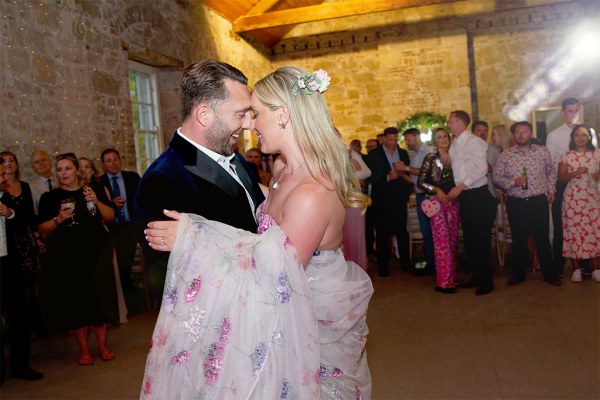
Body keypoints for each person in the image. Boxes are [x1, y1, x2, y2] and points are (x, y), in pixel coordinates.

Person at [140, 66, 373, 399]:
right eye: (244, 114)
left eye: (256, 114)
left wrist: (194, 237)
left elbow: (276, 274)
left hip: (298, 312)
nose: (249, 123)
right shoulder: (280, 168)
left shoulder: (312, 193)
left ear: (282, 116)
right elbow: (261, 203)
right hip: (262, 311)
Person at [134, 60, 265, 305]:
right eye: (240, 114)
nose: (249, 124)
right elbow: (172, 279)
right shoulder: (162, 180)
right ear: (204, 115)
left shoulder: (237, 159)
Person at [37, 153, 117, 366]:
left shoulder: (92, 190)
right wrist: (59, 219)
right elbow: (42, 228)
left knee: (98, 298)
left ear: (76, 171)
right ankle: (83, 350)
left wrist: (96, 201)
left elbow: (109, 217)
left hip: (95, 252)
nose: (63, 173)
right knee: (77, 302)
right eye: (60, 169)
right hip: (67, 256)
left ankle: (102, 346)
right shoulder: (50, 198)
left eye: (68, 169)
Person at [492, 122, 561, 286]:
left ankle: (549, 274)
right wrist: (512, 182)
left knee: (542, 239)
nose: (521, 135)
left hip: (538, 201)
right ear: (514, 135)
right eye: (518, 132)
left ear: (530, 133)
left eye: (525, 131)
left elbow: (551, 172)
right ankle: (518, 274)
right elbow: (496, 178)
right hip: (516, 202)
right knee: (519, 239)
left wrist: (552, 191)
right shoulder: (506, 155)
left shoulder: (542, 152)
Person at [0, 153, 44, 381]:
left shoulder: (23, 187)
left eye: (10, 161)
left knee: (19, 312)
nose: (7, 167)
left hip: (16, 255)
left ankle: (21, 364)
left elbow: (27, 218)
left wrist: (11, 213)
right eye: (2, 163)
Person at [447, 111, 497, 295]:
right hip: (467, 197)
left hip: (479, 196)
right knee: (470, 240)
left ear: (461, 122)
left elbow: (481, 168)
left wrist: (461, 186)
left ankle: (487, 281)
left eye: (452, 121)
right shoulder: (455, 142)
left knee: (481, 240)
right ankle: (477, 275)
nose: (449, 124)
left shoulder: (474, 142)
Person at [417, 128, 460, 293]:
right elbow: (421, 181)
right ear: (435, 142)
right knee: (441, 242)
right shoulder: (431, 157)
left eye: (445, 136)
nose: (443, 139)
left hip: (454, 202)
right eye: (439, 137)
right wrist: (437, 190)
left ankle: (452, 278)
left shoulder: (456, 156)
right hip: (437, 203)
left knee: (452, 241)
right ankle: (443, 282)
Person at [366, 127, 413, 277]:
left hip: (399, 199)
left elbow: (408, 175)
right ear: (385, 138)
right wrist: (387, 177)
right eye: (390, 139)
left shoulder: (403, 153)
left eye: (395, 139)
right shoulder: (375, 154)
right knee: (382, 234)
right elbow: (370, 177)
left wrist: (402, 178)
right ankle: (383, 265)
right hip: (382, 200)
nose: (393, 142)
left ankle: (405, 262)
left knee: (401, 232)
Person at [557, 125, 600, 282]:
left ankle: (596, 269)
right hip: (573, 198)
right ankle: (576, 270)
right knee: (574, 232)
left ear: (589, 137)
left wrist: (598, 174)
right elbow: (560, 178)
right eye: (576, 135)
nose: (580, 138)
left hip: (592, 198)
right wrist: (575, 173)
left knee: (594, 231)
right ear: (572, 138)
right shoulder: (567, 156)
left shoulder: (596, 154)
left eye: (583, 135)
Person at [546, 98, 584, 275]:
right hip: (562, 185)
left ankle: (586, 263)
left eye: (576, 110)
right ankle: (558, 264)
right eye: (570, 110)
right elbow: (549, 164)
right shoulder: (554, 135)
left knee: (583, 224)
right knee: (561, 225)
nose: (573, 114)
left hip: (584, 187)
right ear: (562, 112)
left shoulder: (586, 132)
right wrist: (551, 189)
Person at [397, 128, 435, 275]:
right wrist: (403, 175)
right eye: (406, 140)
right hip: (420, 195)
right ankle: (430, 264)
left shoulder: (428, 151)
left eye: (409, 139)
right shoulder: (414, 155)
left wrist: (405, 167)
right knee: (426, 232)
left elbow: (427, 171)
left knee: (432, 231)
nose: (407, 143)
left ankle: (435, 264)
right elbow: (415, 181)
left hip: (429, 196)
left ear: (417, 137)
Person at [342, 138, 371, 270]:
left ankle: (357, 270)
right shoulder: (322, 153)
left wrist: (348, 175)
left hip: (352, 200)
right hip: (335, 200)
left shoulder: (350, 153)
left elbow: (367, 172)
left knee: (354, 238)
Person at [28, 150, 55, 215]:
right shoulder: (30, 187)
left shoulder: (62, 180)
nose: (41, 163)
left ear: (50, 162)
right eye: (37, 162)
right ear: (33, 168)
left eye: (43, 160)